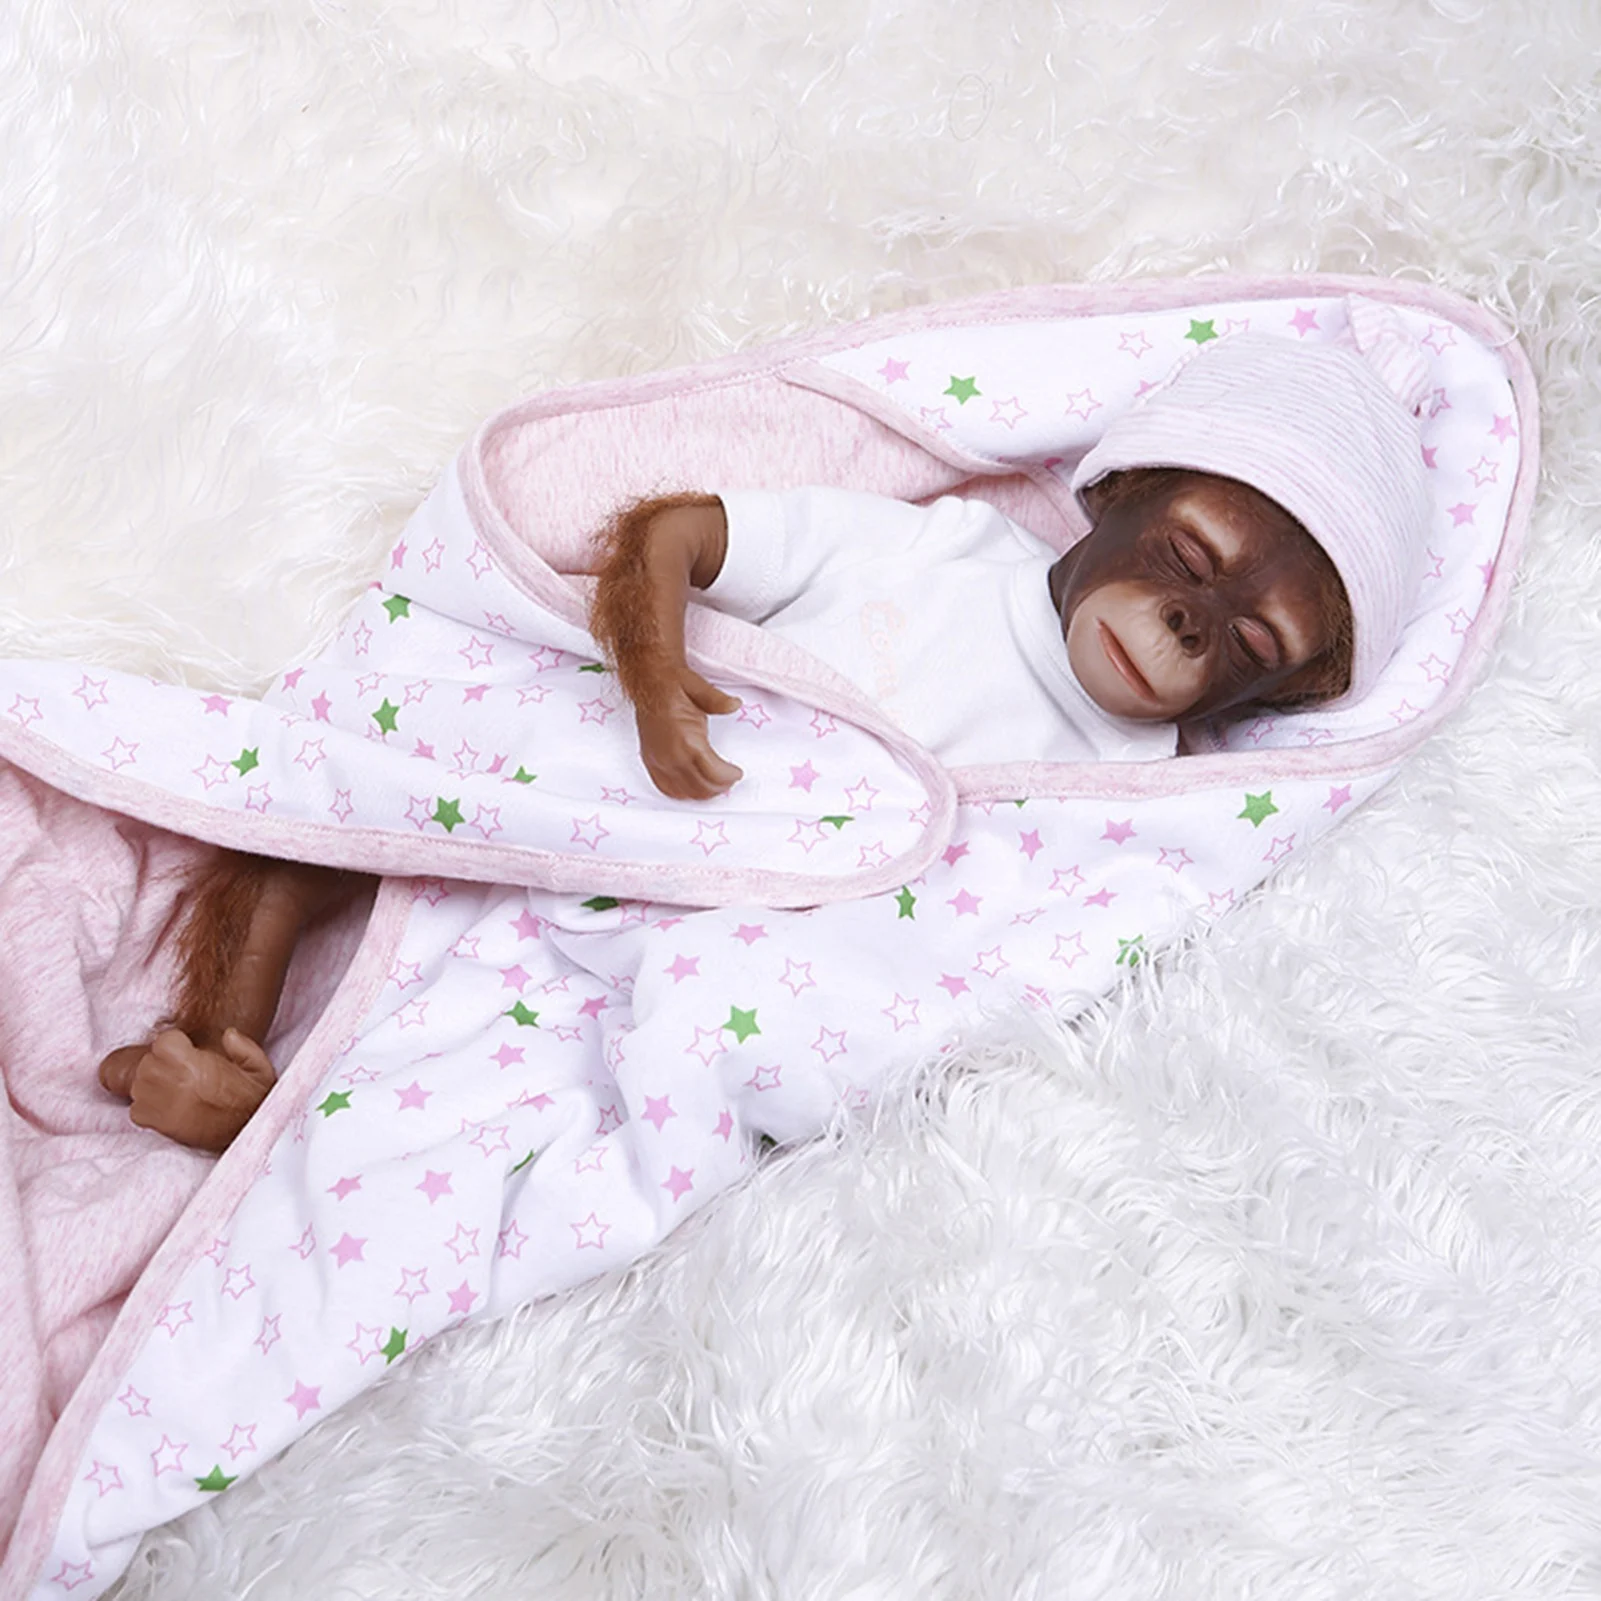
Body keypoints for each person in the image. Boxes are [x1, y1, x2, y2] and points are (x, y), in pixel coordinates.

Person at [96, 318, 1432, 1151]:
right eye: (1190, 558)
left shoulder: (1130, 799)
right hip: (628, 781)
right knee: (356, 799)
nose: (1194, 623)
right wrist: (652, 671)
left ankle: (276, 1128)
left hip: (713, 936)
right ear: (1116, 491)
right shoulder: (939, 553)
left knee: (581, 1060)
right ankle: (222, 1030)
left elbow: (1001, 948)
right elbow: (676, 532)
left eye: (1251, 647)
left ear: (1269, 704)